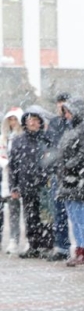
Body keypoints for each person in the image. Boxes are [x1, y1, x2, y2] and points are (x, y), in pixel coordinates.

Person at [9, 106, 55, 259]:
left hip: (44, 185)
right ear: (25, 122)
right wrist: (13, 186)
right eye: (30, 120)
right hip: (26, 184)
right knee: (30, 217)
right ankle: (33, 245)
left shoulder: (46, 138)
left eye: (36, 120)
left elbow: (53, 159)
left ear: (41, 122)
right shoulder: (18, 140)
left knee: (46, 217)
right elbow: (13, 165)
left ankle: (46, 246)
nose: (33, 123)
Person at [56, 97, 84, 266]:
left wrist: (69, 165)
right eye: (65, 112)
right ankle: (79, 248)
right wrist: (61, 166)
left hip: (79, 178)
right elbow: (62, 151)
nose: (66, 115)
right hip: (67, 179)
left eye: (69, 111)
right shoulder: (69, 130)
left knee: (80, 216)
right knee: (73, 215)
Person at [46, 92, 72, 261]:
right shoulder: (54, 123)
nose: (61, 106)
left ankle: (83, 249)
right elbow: (49, 145)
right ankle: (62, 246)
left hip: (71, 173)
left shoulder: (73, 122)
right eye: (59, 102)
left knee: (76, 213)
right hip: (57, 172)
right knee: (58, 211)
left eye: (64, 102)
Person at [1, 107, 24, 254]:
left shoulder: (22, 138)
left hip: (15, 178)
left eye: (15, 119)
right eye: (11, 120)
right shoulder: (4, 138)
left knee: (15, 210)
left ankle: (14, 239)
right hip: (3, 177)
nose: (13, 122)